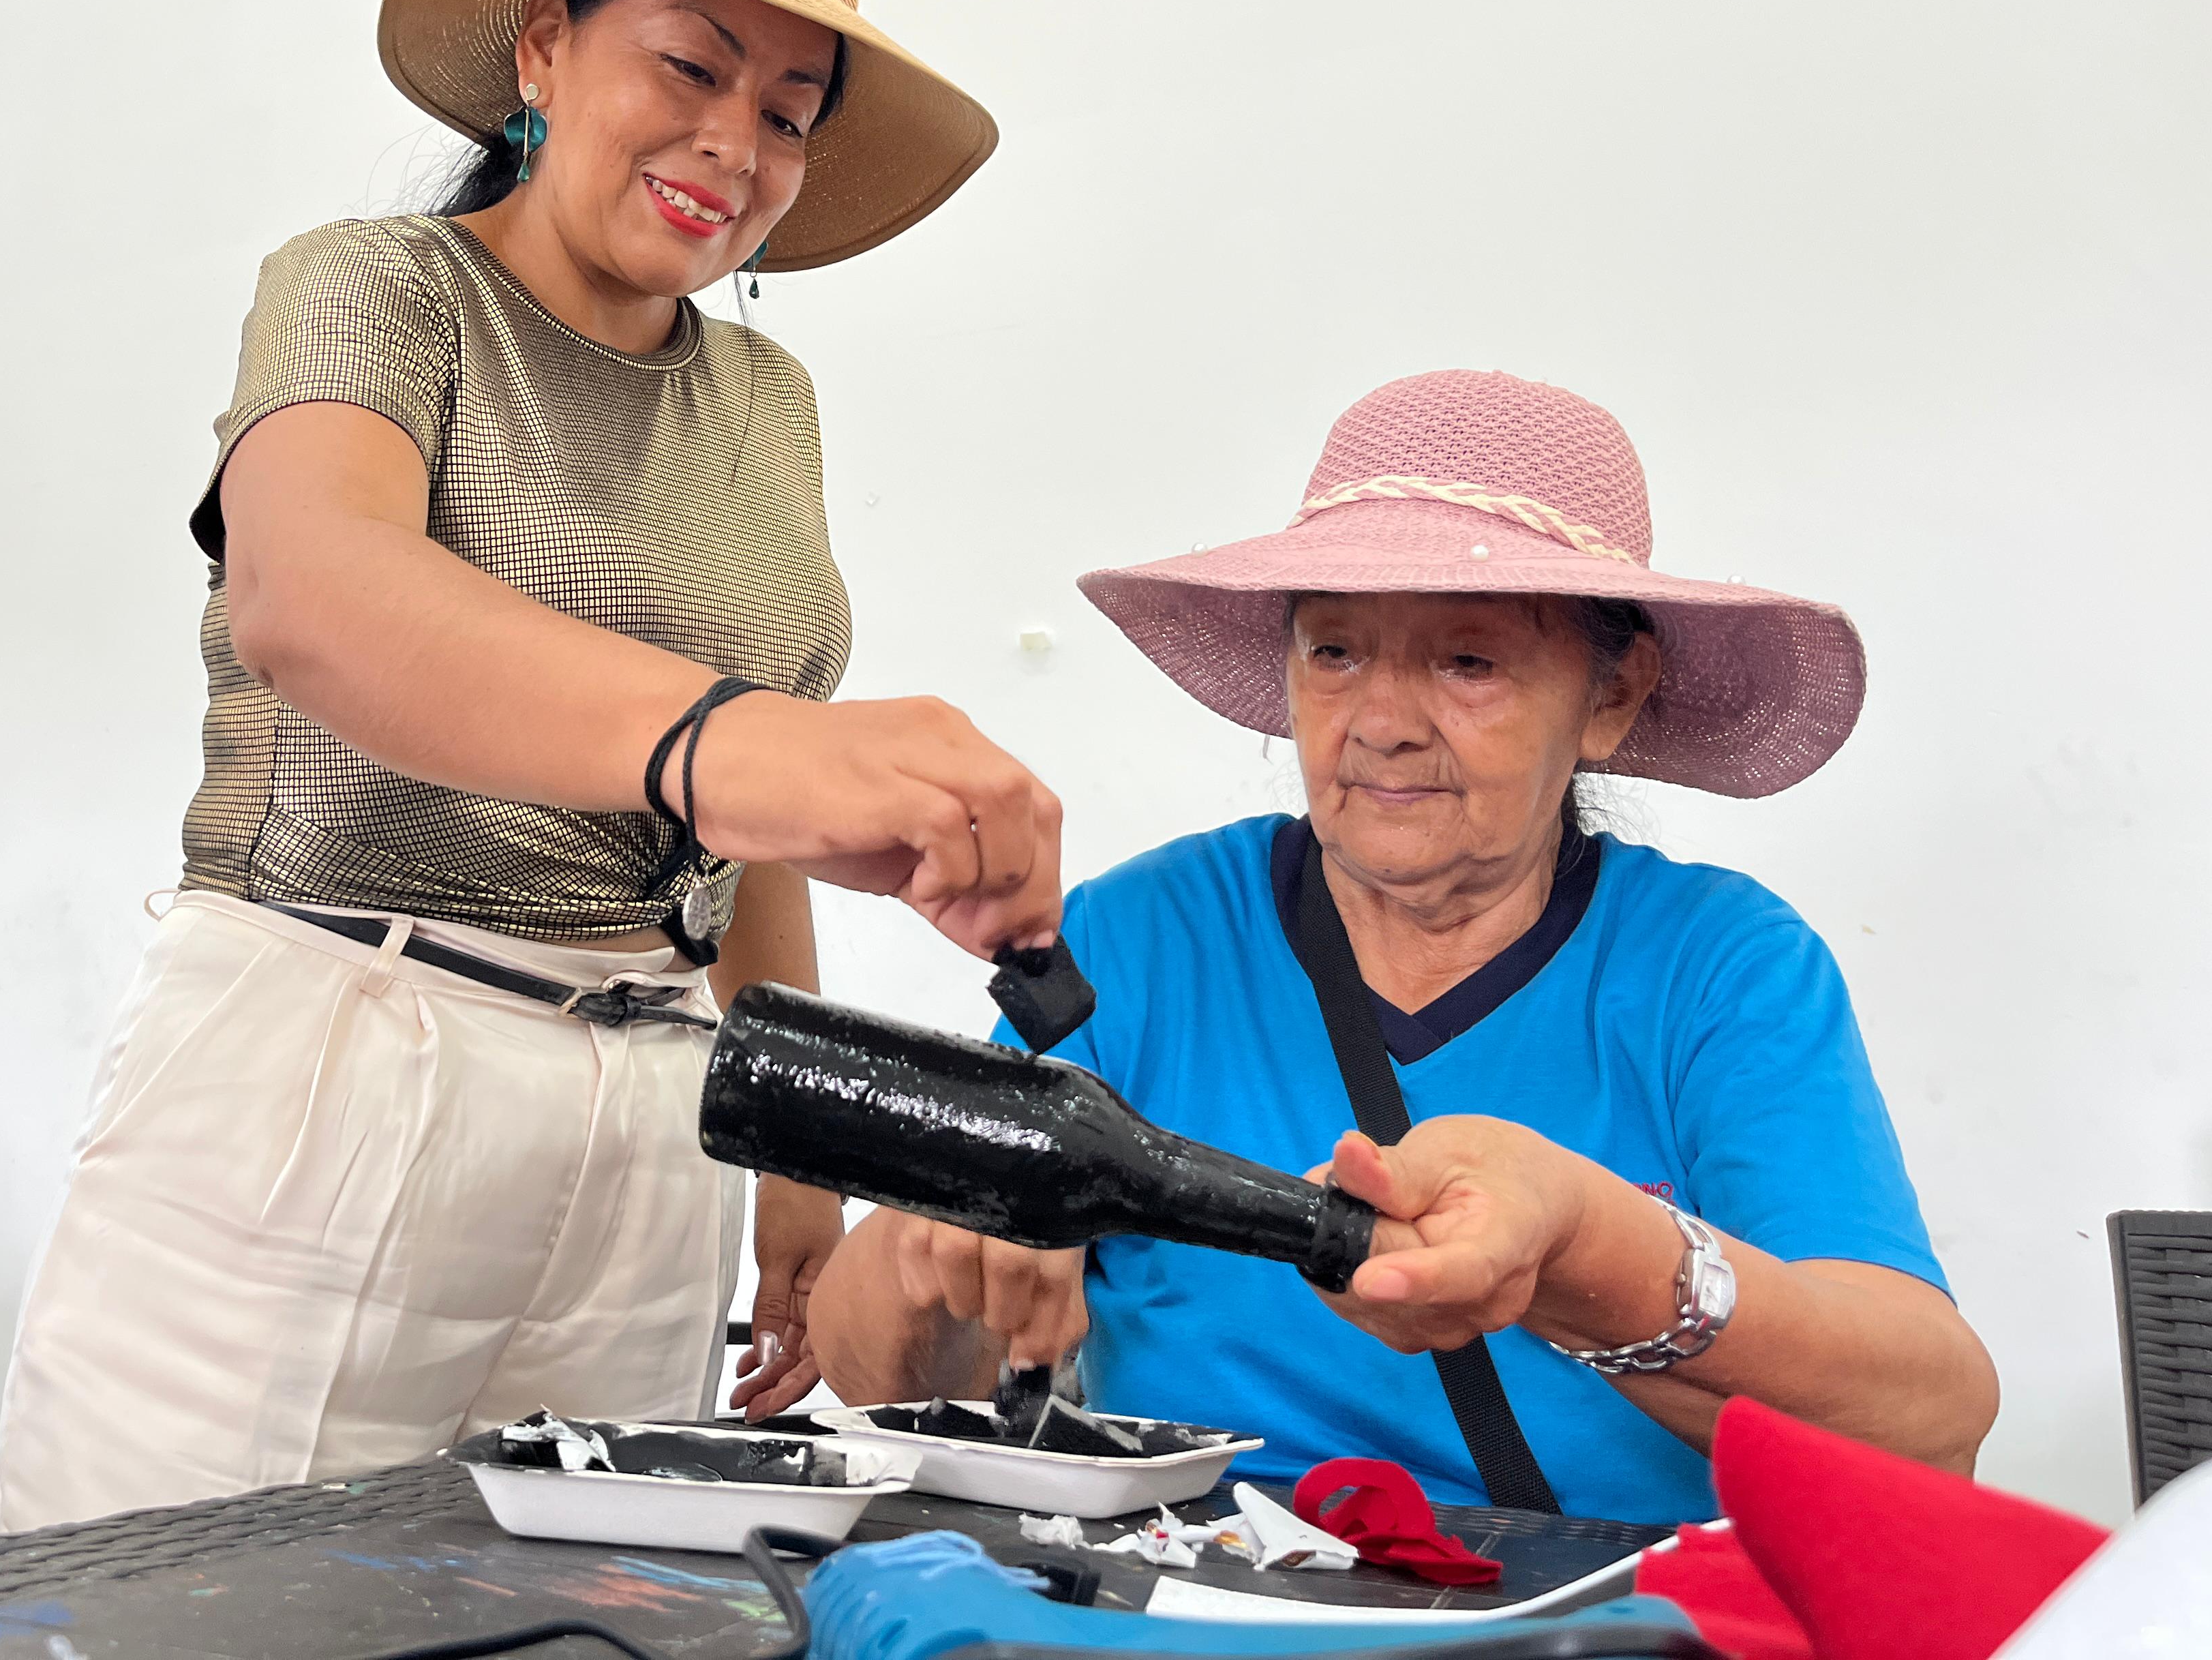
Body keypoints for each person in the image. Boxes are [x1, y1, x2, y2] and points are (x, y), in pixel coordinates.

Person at [0, 0, 1063, 1528]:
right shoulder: (375, 289)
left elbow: (748, 814)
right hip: (340, 1045)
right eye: (690, 67)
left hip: (655, 1096)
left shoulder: (767, 403)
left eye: (789, 112)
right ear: (544, 49)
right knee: (187, 1602)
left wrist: (794, 1153)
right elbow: (309, 595)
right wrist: (740, 744)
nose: (736, 144)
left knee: (573, 1605)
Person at [808, 369, 1997, 1523]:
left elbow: (1931, 1422)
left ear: (1612, 695)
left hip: (1591, 1614)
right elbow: (876, 1379)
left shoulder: (1718, 968)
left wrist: (1588, 1244)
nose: (1380, 723)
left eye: (1468, 662)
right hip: (1194, 1595)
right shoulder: (1142, 940)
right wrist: (939, 1238)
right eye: (1335, 652)